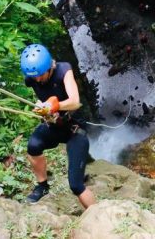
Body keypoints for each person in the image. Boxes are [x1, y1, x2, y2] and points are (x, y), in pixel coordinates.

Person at [20, 44, 96, 209]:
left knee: (76, 185)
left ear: (49, 67)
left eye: (40, 75)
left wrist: (54, 106)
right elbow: (41, 95)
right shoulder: (32, 77)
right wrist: (42, 106)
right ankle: (42, 186)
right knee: (33, 145)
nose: (37, 80)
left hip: (75, 130)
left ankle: (100, 216)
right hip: (55, 125)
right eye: (34, 77)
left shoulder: (63, 70)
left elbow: (75, 101)